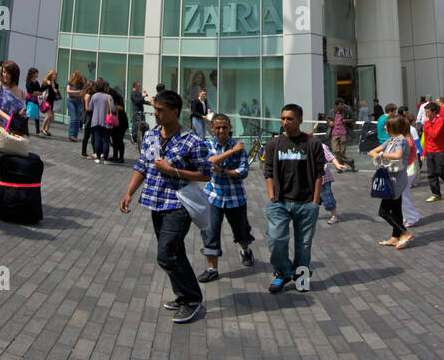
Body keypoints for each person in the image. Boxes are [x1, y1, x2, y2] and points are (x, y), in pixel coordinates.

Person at [120, 90, 212, 324]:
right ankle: (183, 296)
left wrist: (174, 172)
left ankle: (192, 299)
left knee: (166, 254)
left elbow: (205, 174)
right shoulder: (150, 136)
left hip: (178, 204)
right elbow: (142, 166)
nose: (156, 114)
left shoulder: (192, 141)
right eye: (155, 110)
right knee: (175, 251)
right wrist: (129, 192)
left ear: (175, 112)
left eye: (160, 111)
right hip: (155, 202)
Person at [263, 103, 325, 294]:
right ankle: (283, 272)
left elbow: (318, 173)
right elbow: (268, 172)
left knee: (303, 245)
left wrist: (315, 202)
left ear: (299, 120)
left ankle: (302, 276)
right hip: (280, 202)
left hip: (306, 203)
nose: (285, 122)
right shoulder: (274, 144)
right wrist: (272, 196)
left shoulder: (312, 144)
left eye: (289, 119)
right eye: (282, 118)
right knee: (276, 240)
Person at [199, 112, 254, 280]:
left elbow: (243, 172)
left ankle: (245, 250)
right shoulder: (207, 145)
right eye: (218, 128)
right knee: (210, 232)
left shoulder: (240, 146)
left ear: (230, 128)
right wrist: (231, 152)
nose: (221, 131)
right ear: (212, 128)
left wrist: (223, 170)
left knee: (241, 231)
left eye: (224, 127)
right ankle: (212, 269)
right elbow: (209, 162)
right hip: (213, 197)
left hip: (235, 198)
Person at [368, 113, 413, 248]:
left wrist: (381, 156)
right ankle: (395, 237)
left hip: (396, 179)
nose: (385, 128)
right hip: (391, 177)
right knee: (396, 209)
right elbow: (372, 151)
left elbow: (398, 155)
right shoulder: (391, 140)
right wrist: (380, 155)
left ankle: (404, 232)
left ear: (393, 127)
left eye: (387, 126)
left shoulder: (401, 140)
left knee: (384, 211)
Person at [421, 100, 444, 200]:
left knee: (441, 171)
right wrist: (424, 153)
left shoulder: (440, 121)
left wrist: (427, 124)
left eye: (428, 112)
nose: (426, 114)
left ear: (434, 112)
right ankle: (436, 193)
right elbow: (427, 138)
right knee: (431, 173)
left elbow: (434, 134)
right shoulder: (427, 123)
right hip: (430, 151)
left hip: (439, 150)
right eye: (425, 112)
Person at [0, 60, 27, 143]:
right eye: (3, 72)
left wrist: (22, 114)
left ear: (14, 75)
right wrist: (8, 118)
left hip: (12, 134)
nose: (4, 75)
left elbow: (20, 114)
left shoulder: (22, 92)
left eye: (7, 73)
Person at [318, 139, 350, 223]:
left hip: (323, 178)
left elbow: (330, 157)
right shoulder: (302, 147)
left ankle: (334, 215)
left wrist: (337, 164)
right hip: (309, 178)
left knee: (327, 198)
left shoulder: (321, 147)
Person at [88, 79, 115, 164]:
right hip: (107, 121)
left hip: (96, 120)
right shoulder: (109, 97)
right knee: (106, 139)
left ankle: (98, 157)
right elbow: (113, 109)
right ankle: (105, 158)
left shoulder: (94, 96)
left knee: (97, 139)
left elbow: (90, 108)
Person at [329, 98, 353, 163]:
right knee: (335, 150)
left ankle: (340, 165)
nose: (342, 106)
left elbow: (352, 119)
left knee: (342, 151)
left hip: (343, 133)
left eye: (343, 104)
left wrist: (346, 121)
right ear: (336, 105)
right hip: (334, 133)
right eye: (341, 105)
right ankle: (349, 161)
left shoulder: (346, 111)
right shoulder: (332, 112)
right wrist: (330, 122)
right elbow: (328, 119)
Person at [109, 88, 129, 163]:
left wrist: (112, 106)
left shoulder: (118, 98)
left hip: (121, 123)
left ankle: (121, 157)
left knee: (119, 140)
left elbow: (121, 108)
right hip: (114, 122)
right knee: (114, 139)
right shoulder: (112, 99)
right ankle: (115, 155)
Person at [40, 70, 60, 137]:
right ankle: (42, 129)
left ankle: (47, 130)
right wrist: (48, 85)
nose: (54, 76)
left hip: (52, 101)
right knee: (49, 115)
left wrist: (56, 91)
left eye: (55, 75)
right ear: (50, 75)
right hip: (46, 100)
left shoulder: (56, 84)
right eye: (53, 74)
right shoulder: (46, 82)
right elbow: (42, 89)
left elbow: (56, 93)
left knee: (51, 118)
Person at [65, 71, 85, 141]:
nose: (73, 77)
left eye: (75, 75)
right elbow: (68, 91)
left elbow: (82, 94)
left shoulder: (81, 84)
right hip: (71, 101)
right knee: (73, 118)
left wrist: (73, 93)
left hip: (79, 102)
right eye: (73, 75)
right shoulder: (69, 82)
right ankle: (71, 135)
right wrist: (77, 92)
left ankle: (75, 136)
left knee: (77, 120)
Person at [81, 81, 96, 157]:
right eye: (93, 87)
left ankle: (94, 151)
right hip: (89, 117)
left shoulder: (90, 95)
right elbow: (87, 108)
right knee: (87, 136)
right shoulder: (88, 95)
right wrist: (95, 109)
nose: (94, 88)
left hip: (90, 116)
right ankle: (84, 152)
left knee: (92, 135)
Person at [25, 68, 42, 135]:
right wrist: (36, 93)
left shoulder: (37, 82)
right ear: (32, 74)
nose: (37, 74)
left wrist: (36, 93)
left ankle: (38, 131)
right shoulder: (29, 82)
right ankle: (25, 129)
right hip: (29, 99)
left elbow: (40, 91)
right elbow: (30, 92)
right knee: (28, 114)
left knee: (36, 115)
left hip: (35, 99)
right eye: (36, 73)